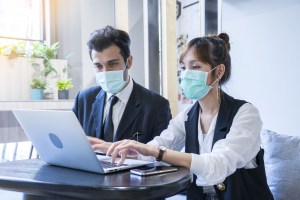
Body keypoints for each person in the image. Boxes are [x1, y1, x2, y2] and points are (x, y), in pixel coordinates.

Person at [92, 33, 273, 200]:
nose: (186, 74)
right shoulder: (188, 115)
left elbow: (217, 165)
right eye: (183, 67)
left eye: (195, 67)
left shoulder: (246, 114)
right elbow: (160, 144)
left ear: (218, 71)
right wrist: (134, 149)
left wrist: (156, 152)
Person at [73, 25, 172, 145]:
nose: (105, 72)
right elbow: (73, 143)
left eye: (113, 64)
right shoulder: (84, 99)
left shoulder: (156, 106)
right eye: (98, 66)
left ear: (128, 62)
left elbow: (162, 156)